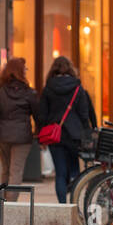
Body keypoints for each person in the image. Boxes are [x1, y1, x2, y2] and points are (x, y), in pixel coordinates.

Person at [37, 56, 96, 203]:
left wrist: (40, 134)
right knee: (74, 171)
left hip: (54, 135)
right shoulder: (77, 88)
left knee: (60, 173)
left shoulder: (48, 88)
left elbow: (42, 114)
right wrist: (88, 135)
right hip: (74, 135)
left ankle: (62, 206)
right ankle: (73, 204)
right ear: (71, 68)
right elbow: (84, 114)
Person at [0, 57, 39, 199]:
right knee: (16, 171)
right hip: (22, 136)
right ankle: (11, 204)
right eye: (24, 69)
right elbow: (38, 114)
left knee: (5, 170)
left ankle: (4, 201)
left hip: (2, 134)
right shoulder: (29, 92)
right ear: (20, 71)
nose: (26, 71)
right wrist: (38, 133)